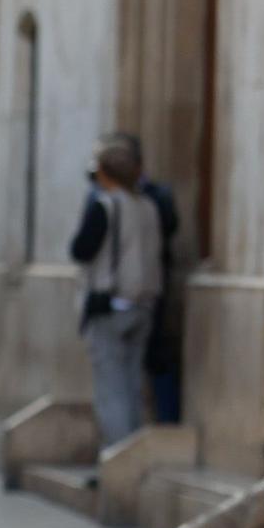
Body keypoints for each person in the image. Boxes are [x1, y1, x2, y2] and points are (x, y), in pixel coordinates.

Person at [70, 135, 171, 446]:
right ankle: (133, 451)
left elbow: (81, 249)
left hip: (111, 303)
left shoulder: (106, 206)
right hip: (144, 304)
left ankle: (117, 456)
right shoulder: (149, 206)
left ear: (103, 172)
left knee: (111, 389)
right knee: (131, 385)